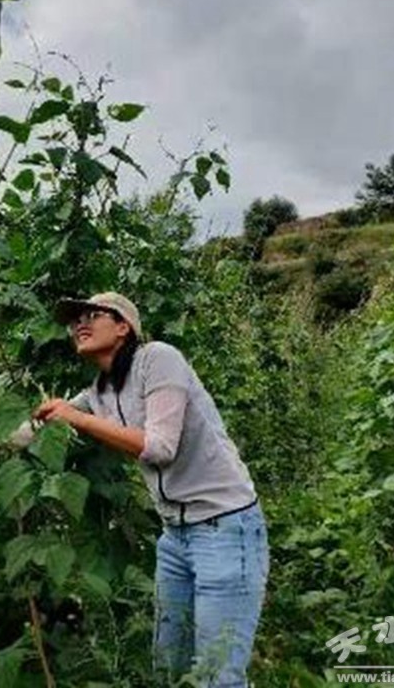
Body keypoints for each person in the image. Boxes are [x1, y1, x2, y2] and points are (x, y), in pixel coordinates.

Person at [31, 292, 269, 685]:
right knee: (168, 667)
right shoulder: (100, 391)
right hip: (175, 536)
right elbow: (41, 423)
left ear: (123, 326)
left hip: (225, 529)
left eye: (93, 315)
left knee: (217, 673)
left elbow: (160, 448)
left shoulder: (158, 359)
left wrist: (77, 418)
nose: (80, 324)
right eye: (75, 320)